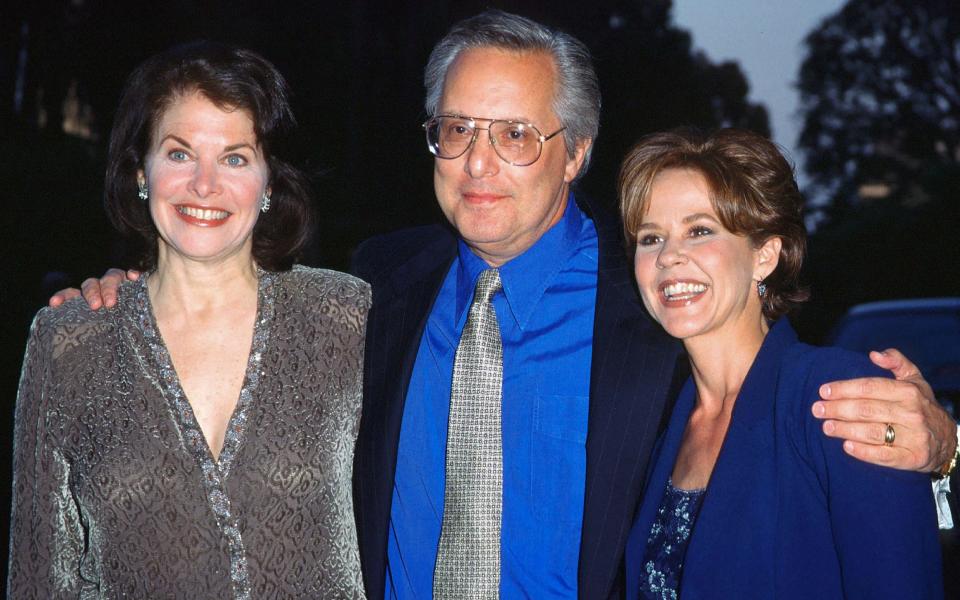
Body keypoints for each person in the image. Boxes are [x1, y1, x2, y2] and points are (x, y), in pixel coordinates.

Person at [52, 11, 958, 600]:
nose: (479, 163)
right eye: (457, 130)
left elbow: (776, 402)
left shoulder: (651, 302)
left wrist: (948, 445)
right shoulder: (371, 291)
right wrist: (130, 293)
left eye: (517, 135)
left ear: (575, 154)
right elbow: (227, 309)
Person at [10, 42, 368, 598]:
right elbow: (38, 575)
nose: (205, 185)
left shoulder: (347, 320)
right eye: (179, 154)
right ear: (140, 172)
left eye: (234, 157)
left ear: (269, 183)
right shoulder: (69, 343)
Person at [620, 128, 944, 598]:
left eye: (700, 230)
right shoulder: (663, 424)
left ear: (764, 256)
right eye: (651, 238)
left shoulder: (838, 397)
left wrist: (951, 447)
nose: (669, 257)